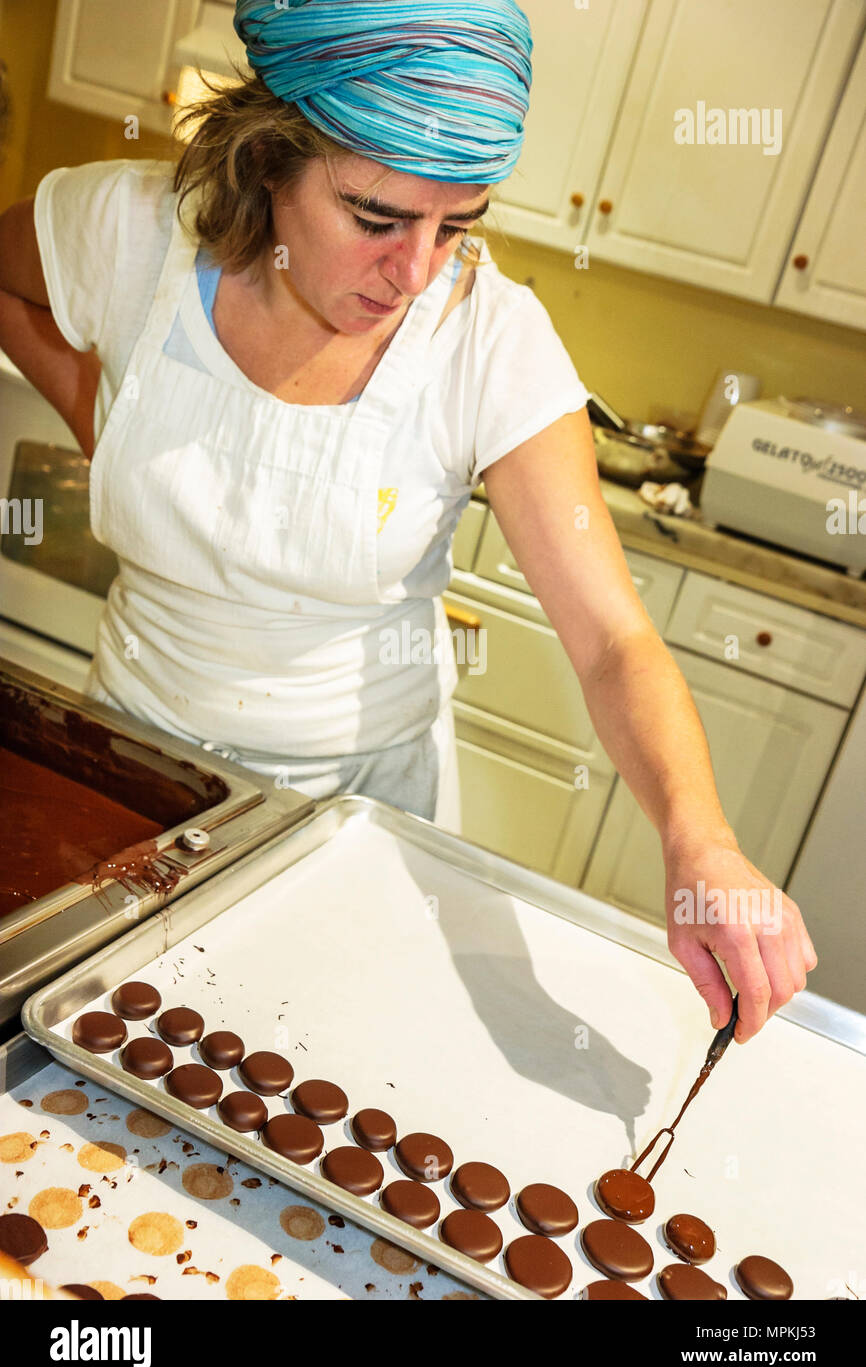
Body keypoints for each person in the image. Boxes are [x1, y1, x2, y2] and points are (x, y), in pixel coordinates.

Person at [0, 0, 815, 1042]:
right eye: (375, 218)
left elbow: (612, 640)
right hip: (133, 769)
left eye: (456, 225)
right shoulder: (127, 232)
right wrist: (103, 421)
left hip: (353, 817)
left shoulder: (489, 341)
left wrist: (698, 838)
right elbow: (11, 283)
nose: (416, 272)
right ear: (266, 158)